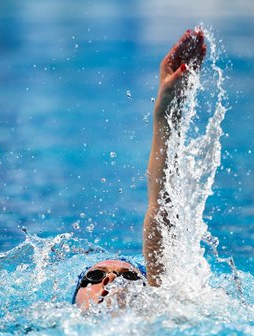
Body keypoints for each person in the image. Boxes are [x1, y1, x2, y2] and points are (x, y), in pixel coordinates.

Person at [72, 28, 206, 310]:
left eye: (130, 277)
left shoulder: (163, 322)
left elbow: (160, 210)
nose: (110, 282)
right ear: (72, 301)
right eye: (94, 277)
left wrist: (169, 111)